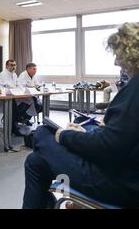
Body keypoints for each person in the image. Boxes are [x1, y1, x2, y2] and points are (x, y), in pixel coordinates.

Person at [23, 22, 139, 208]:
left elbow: (108, 147)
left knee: (43, 133)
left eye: (118, 55)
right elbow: (122, 137)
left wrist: (66, 136)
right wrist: (90, 134)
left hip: (119, 183)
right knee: (35, 161)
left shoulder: (135, 88)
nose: (116, 62)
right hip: (127, 173)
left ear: (132, 52)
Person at [0, 59, 24, 135]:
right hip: (3, 96)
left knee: (23, 104)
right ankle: (12, 127)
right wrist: (16, 88)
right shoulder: (3, 74)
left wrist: (21, 89)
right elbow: (7, 85)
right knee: (14, 108)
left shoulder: (14, 74)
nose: (13, 67)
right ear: (7, 66)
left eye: (14, 65)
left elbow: (18, 84)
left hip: (12, 95)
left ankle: (13, 124)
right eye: (11, 65)